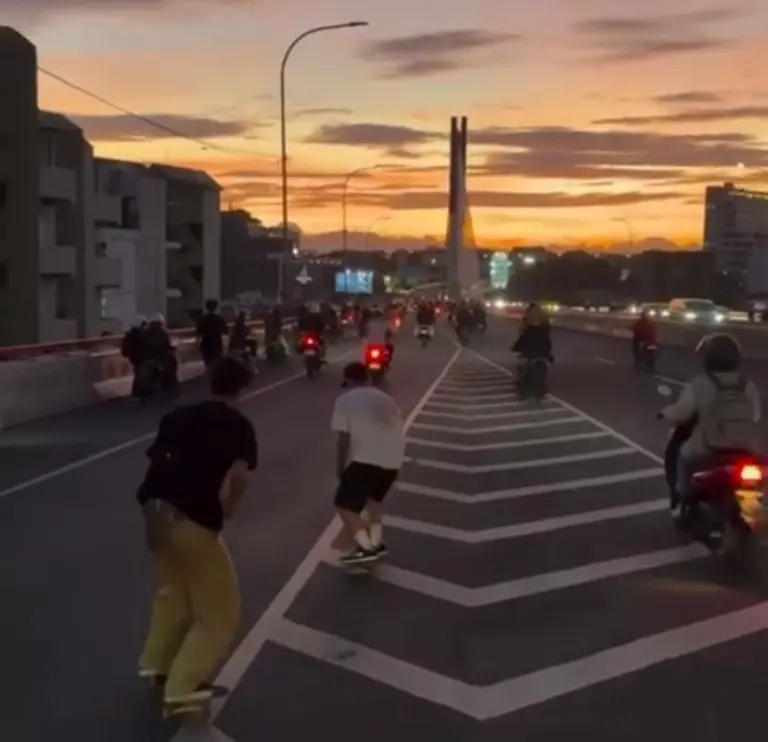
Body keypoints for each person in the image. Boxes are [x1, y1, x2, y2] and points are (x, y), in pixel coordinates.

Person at [136, 357, 257, 713]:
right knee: (220, 610)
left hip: (153, 511)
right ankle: (183, 687)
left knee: (173, 594)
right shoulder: (238, 425)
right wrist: (231, 506)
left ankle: (156, 664)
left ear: (210, 381)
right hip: (192, 518)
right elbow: (240, 476)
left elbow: (158, 461)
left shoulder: (176, 416)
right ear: (242, 387)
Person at [659, 333, 761, 518]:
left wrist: (665, 413)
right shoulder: (748, 385)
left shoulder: (700, 384)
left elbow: (683, 412)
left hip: (709, 447)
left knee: (681, 457)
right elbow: (755, 415)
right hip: (746, 449)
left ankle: (683, 500)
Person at [331, 362, 405, 564]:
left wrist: (340, 466)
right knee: (373, 502)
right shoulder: (386, 398)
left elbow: (343, 438)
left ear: (348, 379)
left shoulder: (345, 400)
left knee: (344, 505)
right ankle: (377, 542)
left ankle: (366, 547)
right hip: (393, 460)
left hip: (367, 460)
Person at [196, 299, 229, 369]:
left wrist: (198, 345)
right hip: (216, 343)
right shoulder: (219, 319)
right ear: (215, 307)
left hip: (206, 343)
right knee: (217, 363)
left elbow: (198, 334)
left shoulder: (202, 319)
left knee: (208, 363)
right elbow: (225, 332)